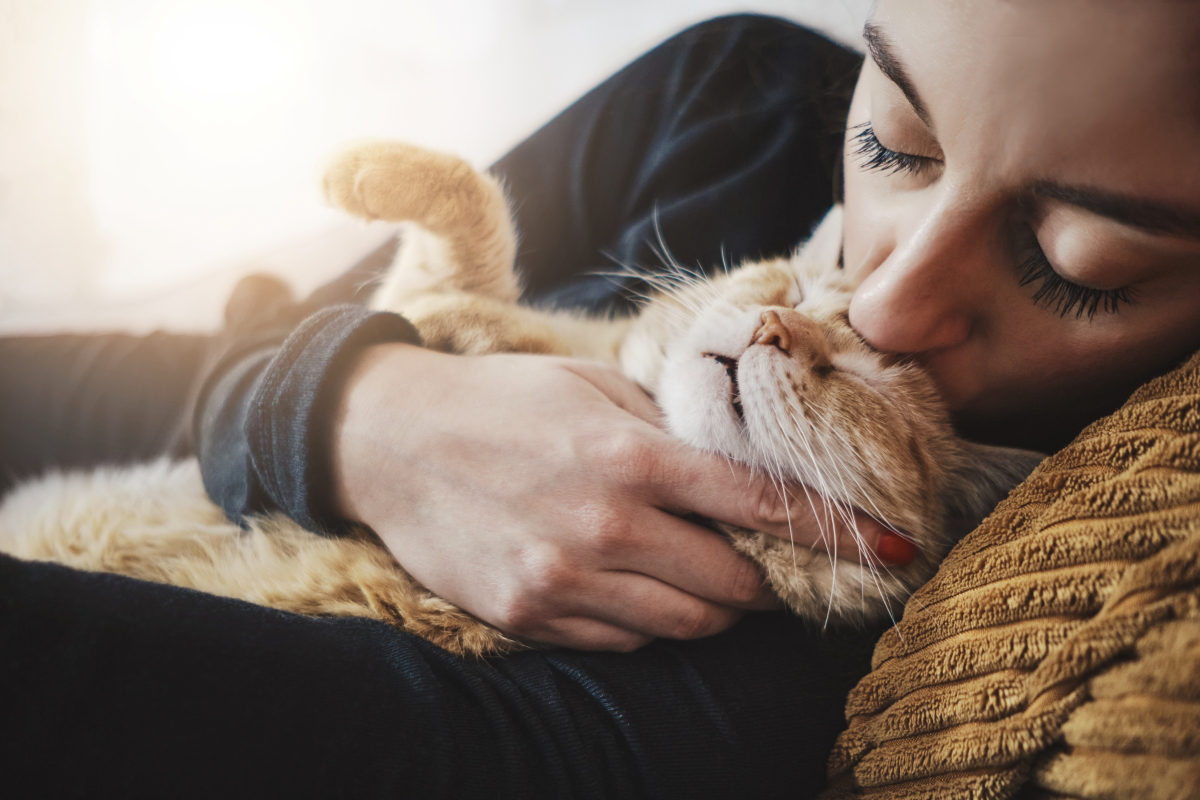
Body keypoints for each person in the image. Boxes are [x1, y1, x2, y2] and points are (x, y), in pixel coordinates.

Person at [1, 2, 1198, 797]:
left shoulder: (819, 661)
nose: (883, 303)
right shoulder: (734, 96)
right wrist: (367, 407)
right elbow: (199, 369)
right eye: (892, 140)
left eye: (1075, 263)